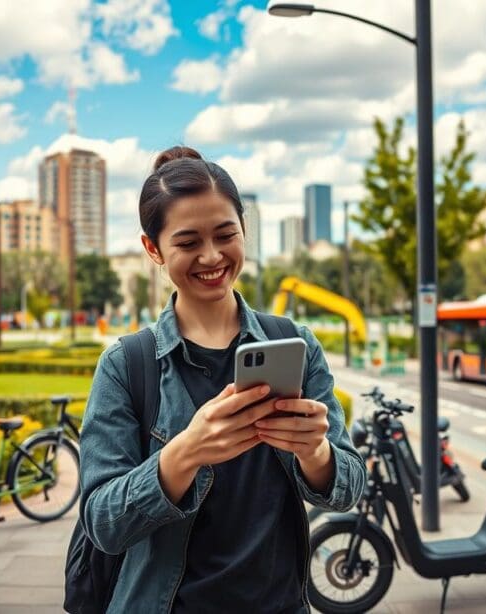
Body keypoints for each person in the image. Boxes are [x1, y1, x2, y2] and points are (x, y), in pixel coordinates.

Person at [78, 146, 366, 613]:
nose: (211, 256)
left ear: (243, 230)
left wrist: (316, 452)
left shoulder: (296, 344)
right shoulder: (126, 364)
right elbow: (103, 524)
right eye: (188, 243)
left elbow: (349, 489)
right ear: (153, 249)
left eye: (225, 234)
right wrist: (185, 453)